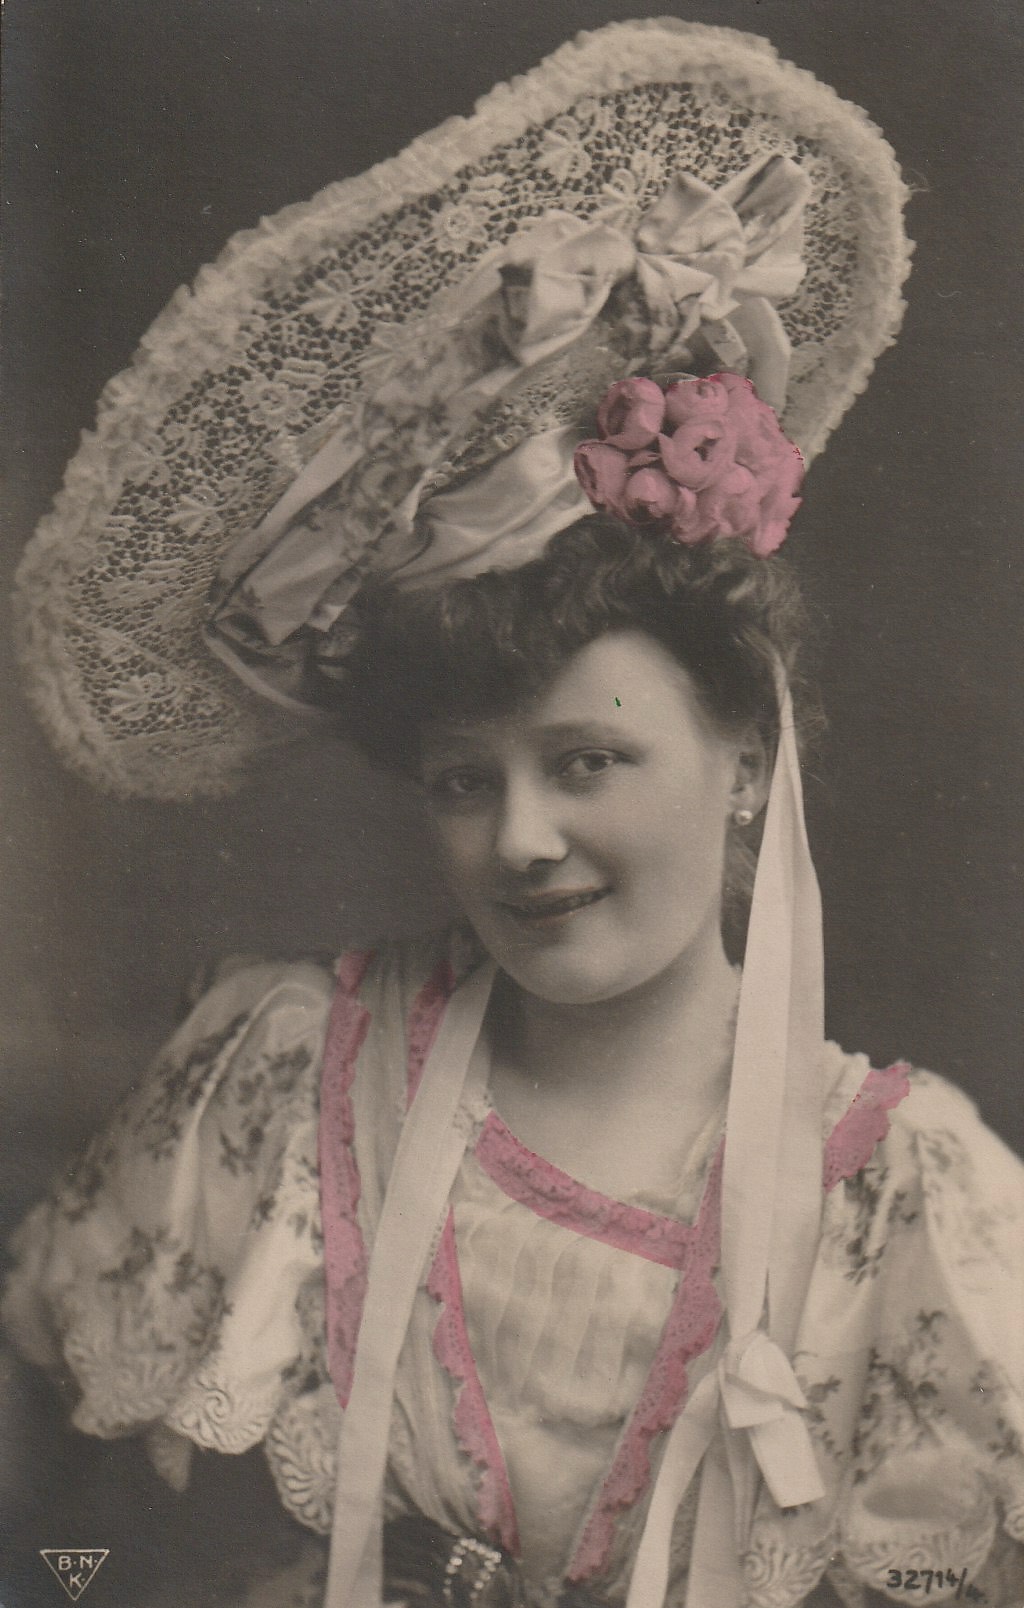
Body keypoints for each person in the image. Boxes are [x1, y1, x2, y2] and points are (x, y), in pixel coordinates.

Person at [3, 19, 1022, 1608]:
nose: (521, 840)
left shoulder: (906, 1194)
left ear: (748, 759)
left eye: (588, 762)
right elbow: (62, 1528)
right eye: (463, 780)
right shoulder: (291, 1075)